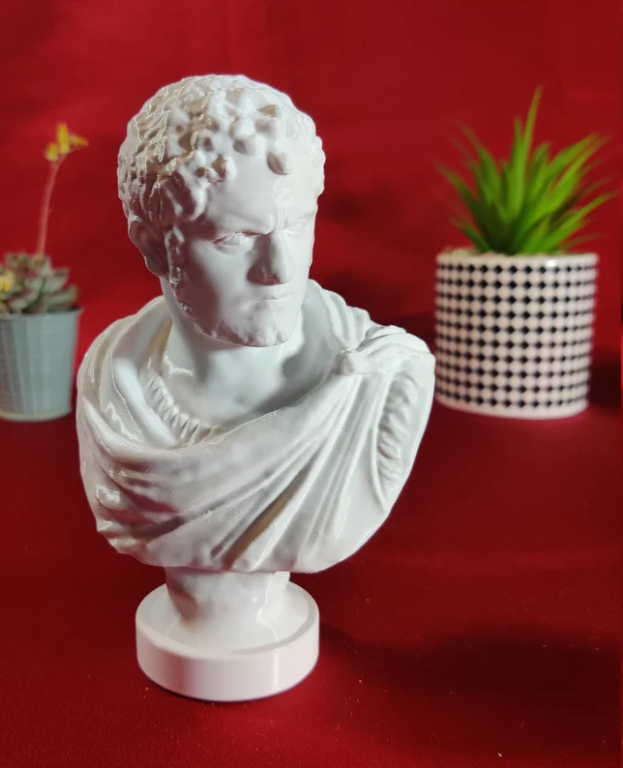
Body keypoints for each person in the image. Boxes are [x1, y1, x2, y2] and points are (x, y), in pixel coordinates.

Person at [77, 75, 435, 574]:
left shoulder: (382, 376)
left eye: (297, 224)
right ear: (155, 247)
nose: (280, 269)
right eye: (237, 238)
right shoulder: (111, 386)